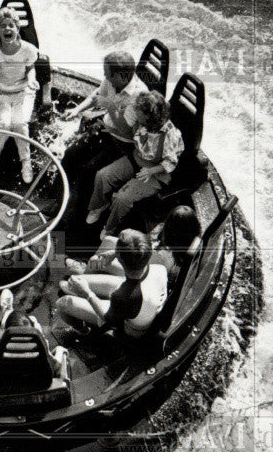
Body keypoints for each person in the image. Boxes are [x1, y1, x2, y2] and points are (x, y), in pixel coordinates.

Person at [59, 52, 147, 225]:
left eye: (107, 73)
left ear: (122, 76)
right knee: (69, 156)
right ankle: (63, 199)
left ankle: (79, 212)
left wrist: (110, 106)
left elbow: (125, 129)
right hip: (106, 129)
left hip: (124, 143)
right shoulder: (112, 81)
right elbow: (97, 94)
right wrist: (77, 110)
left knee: (89, 172)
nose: (104, 76)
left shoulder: (139, 96)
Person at [85, 91, 184, 239]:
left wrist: (150, 171)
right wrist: (111, 130)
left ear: (149, 115)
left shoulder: (170, 134)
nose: (135, 111)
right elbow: (132, 137)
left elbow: (170, 162)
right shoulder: (142, 123)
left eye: (138, 110)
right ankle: (99, 206)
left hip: (156, 172)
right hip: (136, 159)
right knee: (102, 176)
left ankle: (109, 228)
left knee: (122, 199)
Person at [55, 229, 168, 339]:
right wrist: (116, 253)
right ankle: (83, 276)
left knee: (62, 302)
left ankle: (82, 331)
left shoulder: (121, 296)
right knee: (107, 244)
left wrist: (87, 293)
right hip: (139, 291)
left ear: (121, 259)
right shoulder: (159, 268)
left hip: (130, 328)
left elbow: (108, 320)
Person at [66, 204, 200, 289]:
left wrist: (116, 253)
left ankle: (85, 274)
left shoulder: (166, 255)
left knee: (97, 260)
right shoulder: (189, 244)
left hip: (143, 278)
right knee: (108, 241)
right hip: (147, 268)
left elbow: (140, 260)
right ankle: (90, 271)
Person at [0, 7, 40, 183]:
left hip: (23, 91)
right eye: (3, 26)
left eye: (11, 25)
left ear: (17, 29)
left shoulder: (28, 50)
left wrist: (31, 80)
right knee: (4, 124)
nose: (7, 29)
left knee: (20, 123)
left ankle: (26, 162)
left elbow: (30, 69)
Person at [0, 307, 69, 376]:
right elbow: (56, 366)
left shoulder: (0, 352)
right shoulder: (39, 348)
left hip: (13, 384)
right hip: (40, 384)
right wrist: (60, 350)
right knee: (60, 350)